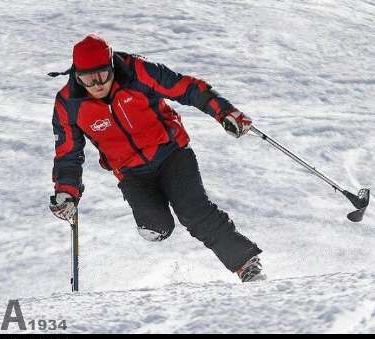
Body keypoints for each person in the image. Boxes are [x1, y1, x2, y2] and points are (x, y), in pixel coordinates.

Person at [48, 33, 265, 282]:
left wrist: (224, 112)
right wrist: (66, 192)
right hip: (131, 173)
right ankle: (157, 224)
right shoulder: (68, 104)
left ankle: (246, 265)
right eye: (87, 78)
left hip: (171, 154)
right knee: (156, 228)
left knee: (195, 212)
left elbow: (186, 87)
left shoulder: (137, 72)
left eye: (103, 75)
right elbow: (68, 153)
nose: (97, 84)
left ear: (112, 66)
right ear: (76, 75)